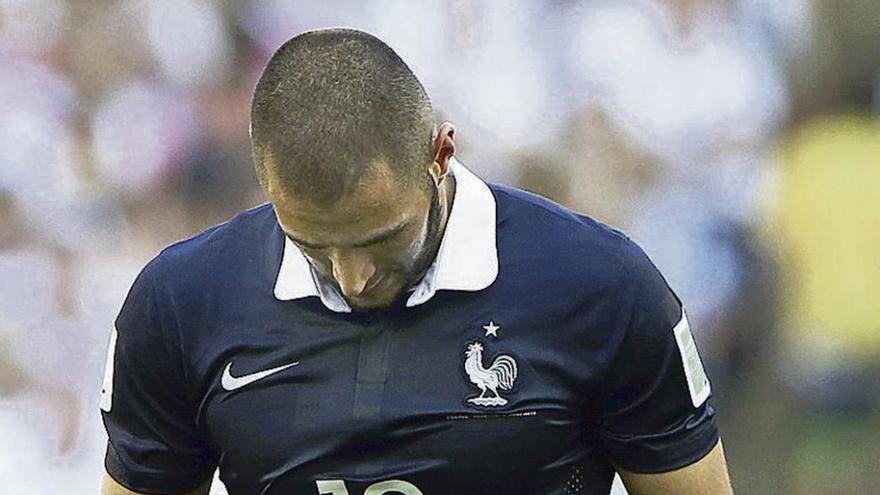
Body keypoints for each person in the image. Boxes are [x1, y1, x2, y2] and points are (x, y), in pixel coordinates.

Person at [100, 28, 734, 495]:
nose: (352, 278)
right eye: (312, 245)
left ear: (440, 154)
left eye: (381, 238)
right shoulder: (179, 305)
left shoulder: (602, 286)